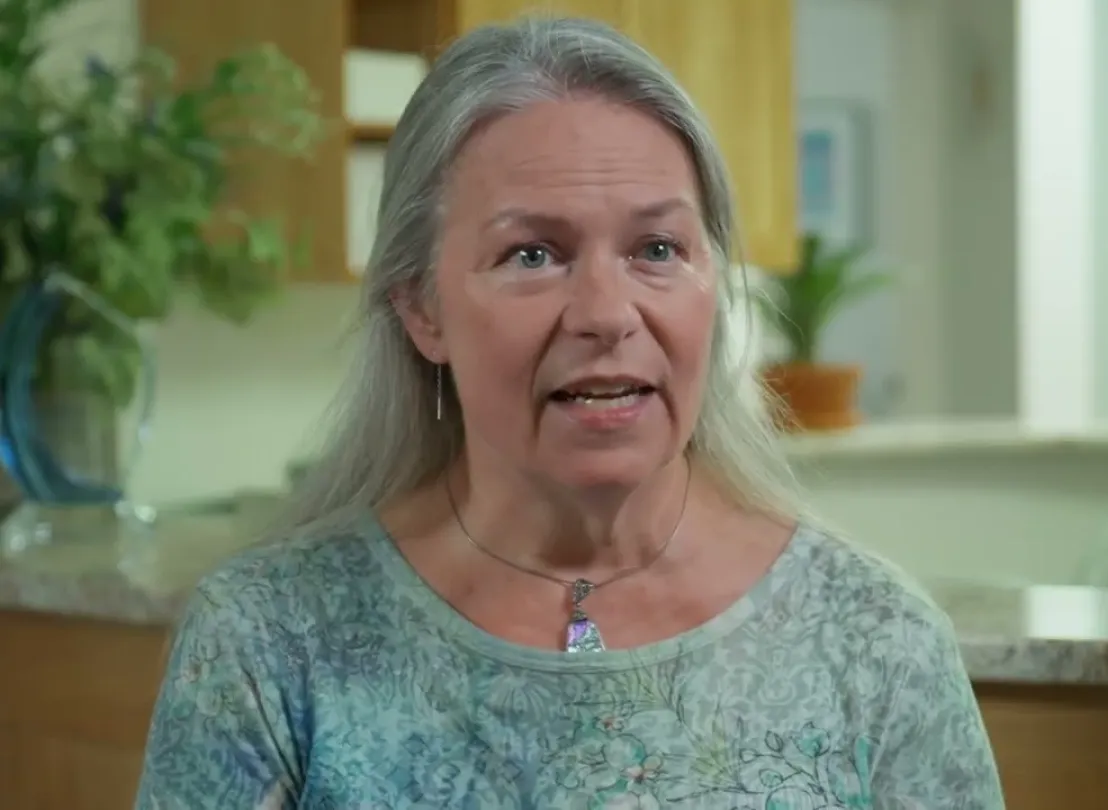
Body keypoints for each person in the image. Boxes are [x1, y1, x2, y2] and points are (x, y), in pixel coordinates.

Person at [134, 16, 1005, 810]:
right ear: (421, 308)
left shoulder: (876, 644)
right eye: (533, 254)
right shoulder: (268, 643)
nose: (605, 311)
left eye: (657, 249)